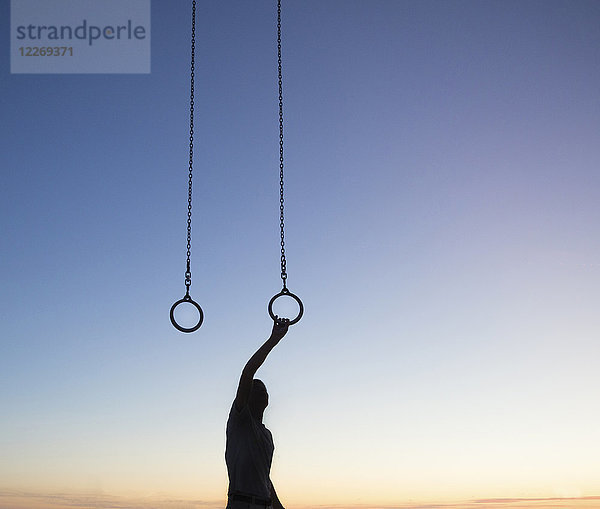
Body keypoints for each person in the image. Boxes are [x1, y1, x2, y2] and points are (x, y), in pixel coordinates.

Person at [225, 317, 290, 509]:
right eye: (256, 387)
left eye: (264, 388)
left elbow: (265, 480)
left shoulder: (266, 435)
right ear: (247, 396)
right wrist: (273, 340)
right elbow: (248, 372)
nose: (262, 390)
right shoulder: (240, 421)